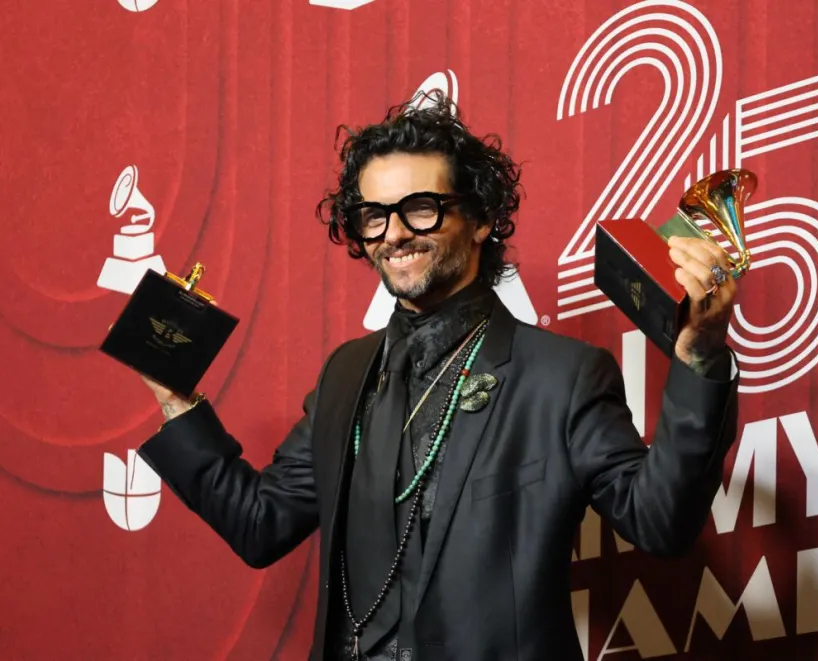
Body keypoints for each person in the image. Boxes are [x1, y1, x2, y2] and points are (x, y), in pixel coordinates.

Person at [136, 92, 741, 661]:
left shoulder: (562, 376)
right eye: (373, 216)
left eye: (420, 209)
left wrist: (701, 357)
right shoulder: (345, 376)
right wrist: (173, 399)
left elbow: (660, 520)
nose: (394, 233)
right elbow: (260, 524)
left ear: (480, 220)